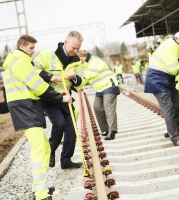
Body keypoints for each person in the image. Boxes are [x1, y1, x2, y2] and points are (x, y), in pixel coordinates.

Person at [3, 35, 72, 200]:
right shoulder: (20, 62)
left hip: (27, 106)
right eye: (31, 48)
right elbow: (38, 86)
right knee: (39, 148)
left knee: (45, 148)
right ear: (22, 46)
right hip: (25, 107)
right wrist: (60, 98)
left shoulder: (23, 62)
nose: (33, 52)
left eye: (34, 48)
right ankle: (40, 193)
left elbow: (34, 86)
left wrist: (56, 93)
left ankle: (39, 187)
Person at [34, 31, 84, 169]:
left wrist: (74, 77)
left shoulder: (76, 60)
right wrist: (49, 77)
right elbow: (33, 70)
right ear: (65, 42)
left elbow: (81, 82)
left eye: (78, 48)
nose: (75, 51)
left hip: (66, 98)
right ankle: (50, 152)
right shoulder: (47, 54)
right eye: (73, 47)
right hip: (49, 98)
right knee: (60, 123)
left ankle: (66, 161)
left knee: (71, 130)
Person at [144, 30, 179, 147]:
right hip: (157, 80)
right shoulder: (171, 47)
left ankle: (175, 131)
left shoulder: (174, 44)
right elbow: (172, 69)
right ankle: (175, 138)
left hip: (165, 80)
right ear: (178, 38)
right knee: (168, 108)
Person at [83, 51, 120, 140]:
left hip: (109, 85)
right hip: (100, 88)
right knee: (97, 107)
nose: (80, 61)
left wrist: (80, 76)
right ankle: (106, 129)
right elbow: (86, 77)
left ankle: (112, 131)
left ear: (85, 55)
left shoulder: (94, 60)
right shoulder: (86, 64)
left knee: (108, 106)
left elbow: (92, 73)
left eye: (81, 59)